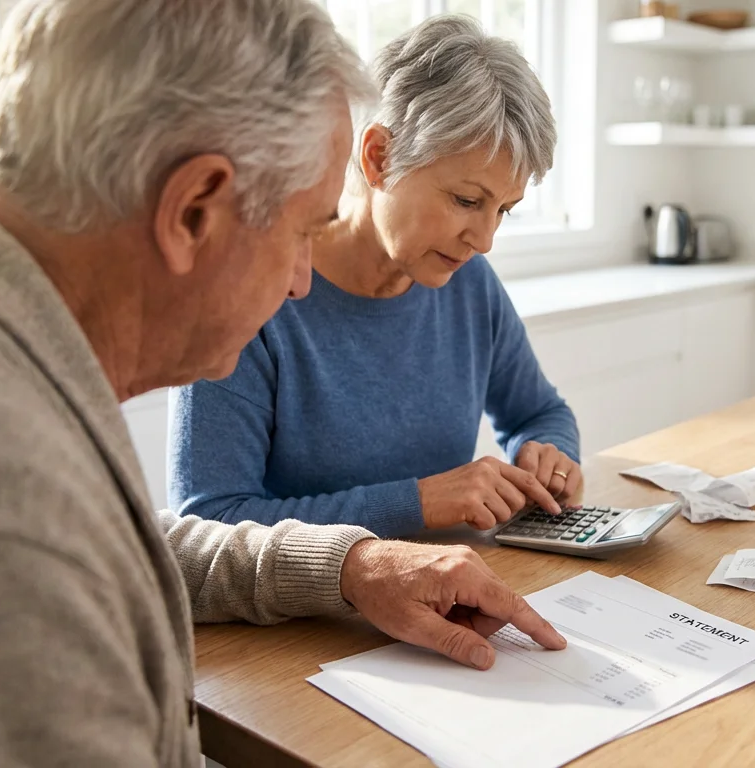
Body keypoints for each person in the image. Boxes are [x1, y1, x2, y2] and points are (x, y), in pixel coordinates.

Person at [0, 1, 568, 764]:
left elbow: (131, 541)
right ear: (193, 209)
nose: (302, 282)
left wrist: (350, 566)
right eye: (302, 230)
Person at [168, 14, 582, 538]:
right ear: (378, 157)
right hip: (303, 619)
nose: (484, 240)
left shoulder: (470, 284)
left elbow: (540, 411)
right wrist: (417, 503)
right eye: (467, 200)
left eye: (503, 209)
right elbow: (206, 523)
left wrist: (549, 455)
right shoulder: (257, 292)